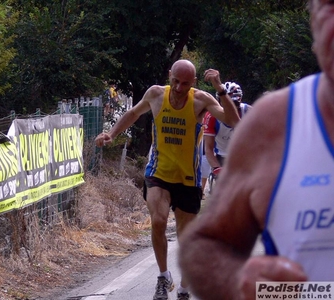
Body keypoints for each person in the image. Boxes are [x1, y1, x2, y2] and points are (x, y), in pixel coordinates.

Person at [178, 1, 333, 299]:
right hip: (221, 156)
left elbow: (234, 121)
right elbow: (206, 244)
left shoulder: (245, 113)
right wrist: (236, 281)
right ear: (312, 17)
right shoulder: (271, 123)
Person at [95, 59, 240, 300]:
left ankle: (183, 290)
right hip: (158, 173)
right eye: (175, 81)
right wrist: (111, 133)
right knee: (158, 221)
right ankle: (163, 277)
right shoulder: (156, 94)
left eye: (185, 83)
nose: (180, 88)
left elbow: (232, 120)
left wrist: (220, 88)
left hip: (187, 178)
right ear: (169, 75)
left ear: (193, 82)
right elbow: (132, 113)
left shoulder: (202, 99)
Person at [203, 82, 251, 171]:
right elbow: (208, 148)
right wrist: (216, 168)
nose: (230, 109)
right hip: (222, 156)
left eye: (234, 104)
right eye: (225, 104)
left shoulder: (249, 112)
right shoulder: (212, 116)